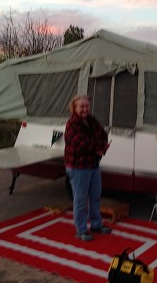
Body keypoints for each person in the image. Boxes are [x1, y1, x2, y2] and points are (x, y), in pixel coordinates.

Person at [64, 94, 112, 241]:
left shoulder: (91, 121)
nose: (85, 109)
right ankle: (81, 229)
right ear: (74, 108)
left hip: (93, 165)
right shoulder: (72, 124)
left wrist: (100, 146)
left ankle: (96, 224)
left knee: (95, 196)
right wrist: (99, 147)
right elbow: (80, 145)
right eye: (81, 106)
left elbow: (102, 134)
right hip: (78, 167)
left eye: (87, 106)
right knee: (80, 199)